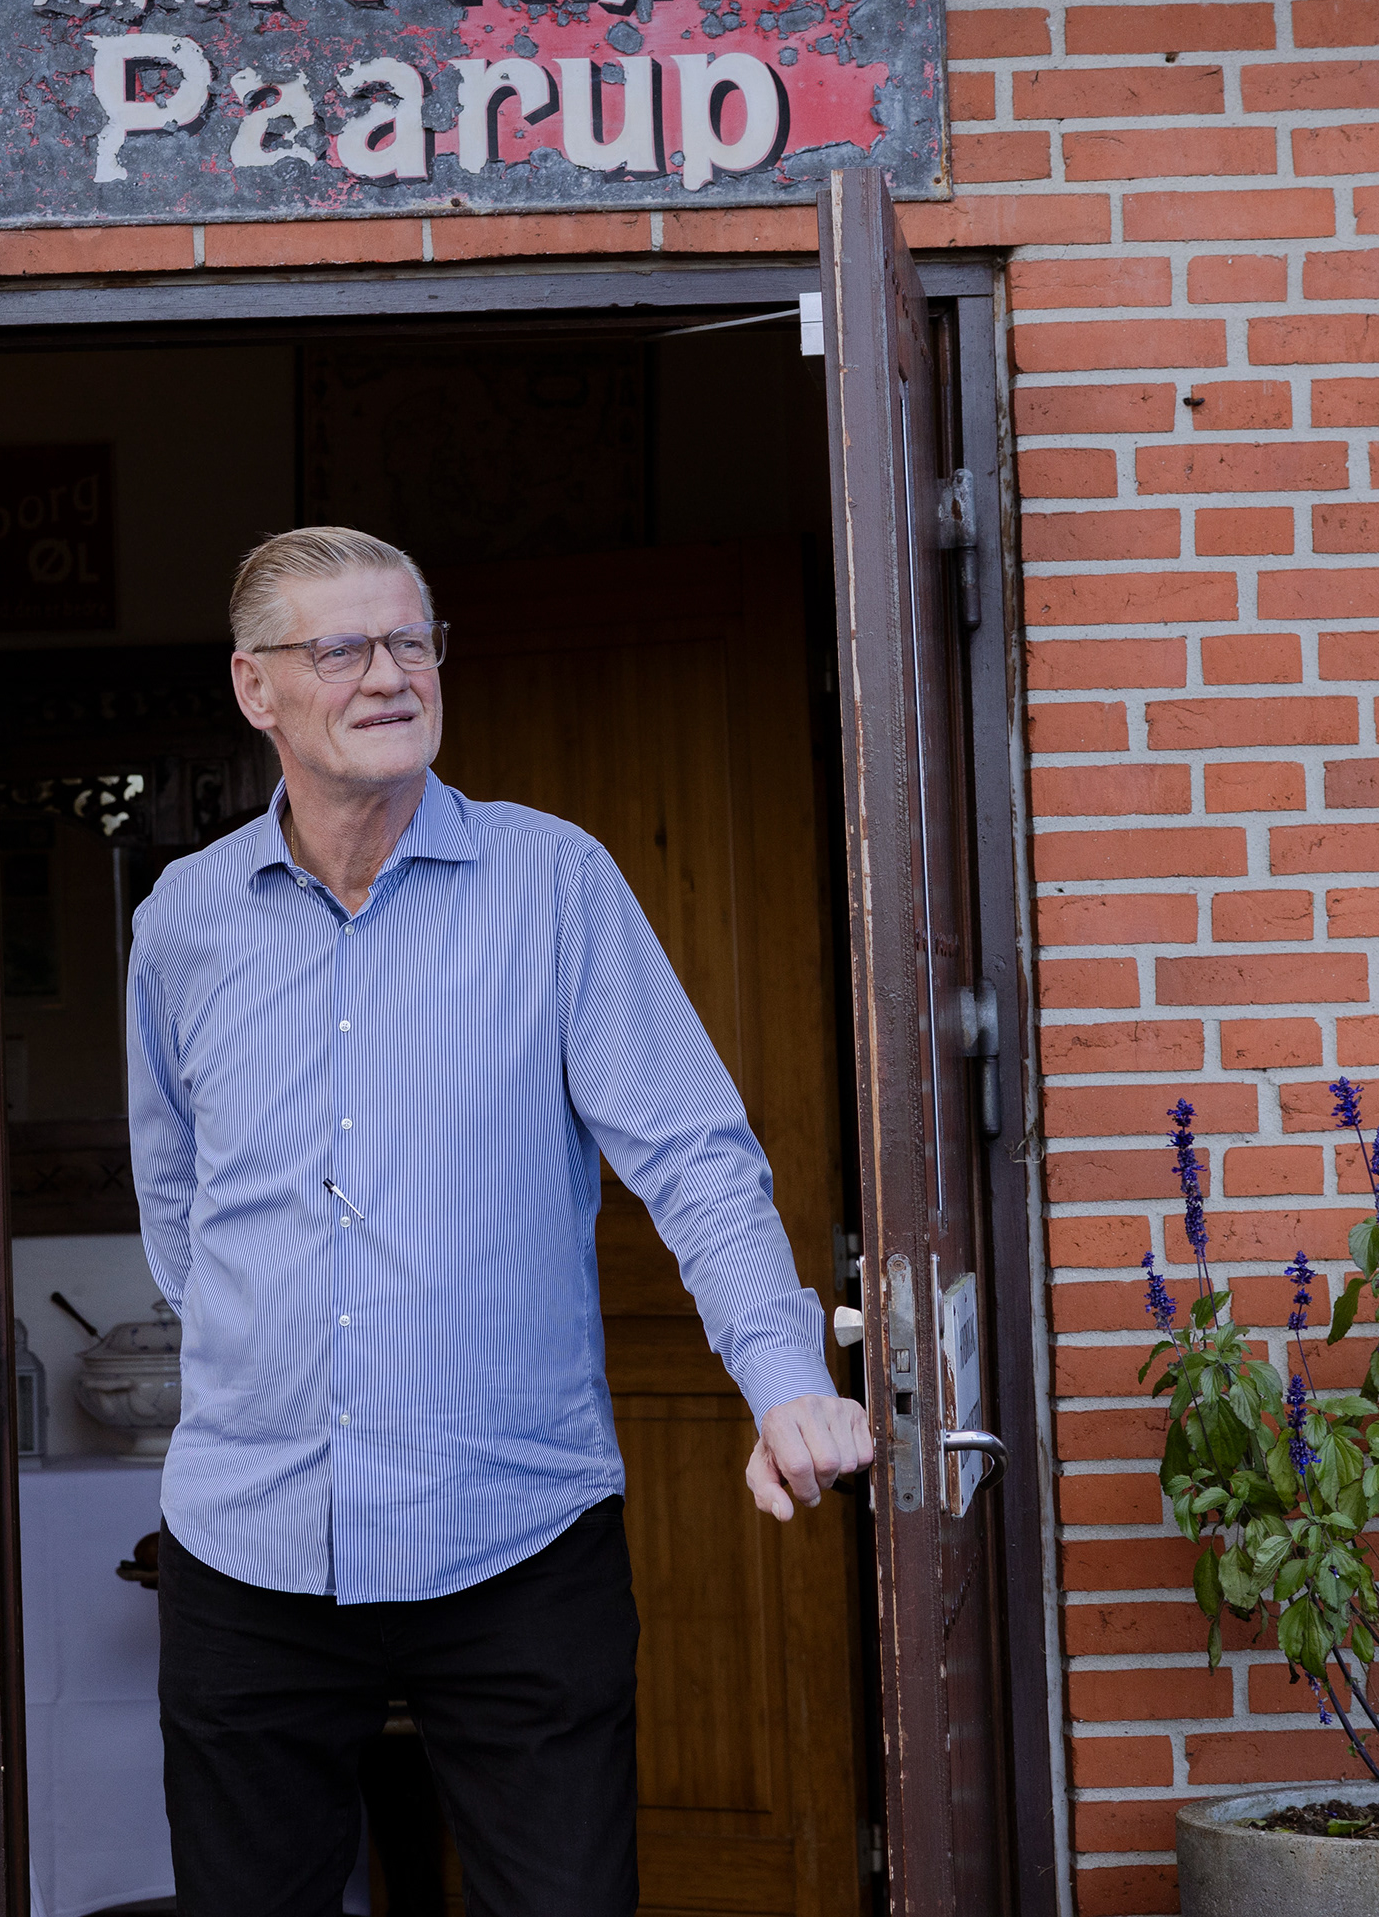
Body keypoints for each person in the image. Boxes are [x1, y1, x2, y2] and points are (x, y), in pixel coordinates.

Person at [125, 524, 878, 1917]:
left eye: (411, 640)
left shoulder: (555, 883)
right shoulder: (185, 920)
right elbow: (176, 1195)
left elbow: (695, 1155)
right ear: (255, 686)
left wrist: (782, 1381)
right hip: (252, 1537)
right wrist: (273, 1356)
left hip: (515, 1531)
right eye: (340, 648)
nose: (388, 674)